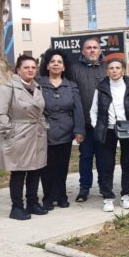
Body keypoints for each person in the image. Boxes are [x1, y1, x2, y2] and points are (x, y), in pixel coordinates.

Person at [0, 55, 48, 220]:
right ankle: (16, 207)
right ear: (18, 70)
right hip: (18, 134)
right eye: (26, 67)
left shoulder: (37, 87)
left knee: (35, 170)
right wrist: (10, 133)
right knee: (18, 172)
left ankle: (32, 202)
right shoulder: (8, 88)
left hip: (37, 134)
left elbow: (40, 111)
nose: (30, 70)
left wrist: (44, 127)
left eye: (33, 67)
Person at [37, 50, 85, 211]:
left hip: (65, 130)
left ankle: (62, 196)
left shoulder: (71, 86)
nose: (56, 64)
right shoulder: (38, 84)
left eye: (59, 62)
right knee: (47, 166)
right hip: (44, 130)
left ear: (64, 67)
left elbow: (78, 109)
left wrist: (79, 130)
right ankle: (48, 197)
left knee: (62, 166)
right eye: (52, 61)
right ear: (48, 65)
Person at [90, 58, 129, 212]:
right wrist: (96, 125)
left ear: (123, 70)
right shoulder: (101, 87)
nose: (115, 70)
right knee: (106, 164)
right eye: (111, 68)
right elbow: (94, 110)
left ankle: (125, 195)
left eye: (118, 67)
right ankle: (108, 197)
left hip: (127, 129)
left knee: (127, 163)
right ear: (107, 71)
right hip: (107, 129)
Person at [66, 37, 107, 203]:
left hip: (104, 124)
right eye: (88, 48)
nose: (92, 50)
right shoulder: (75, 70)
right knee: (86, 157)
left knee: (104, 157)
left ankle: (105, 186)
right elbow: (73, 99)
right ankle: (84, 188)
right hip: (85, 123)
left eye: (95, 47)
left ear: (100, 50)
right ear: (83, 51)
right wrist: (78, 127)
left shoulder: (107, 69)